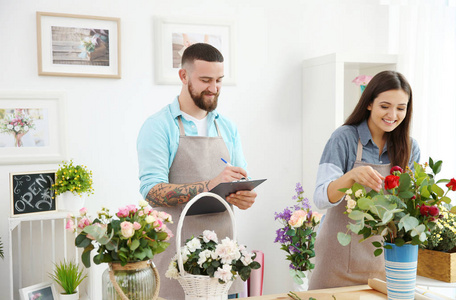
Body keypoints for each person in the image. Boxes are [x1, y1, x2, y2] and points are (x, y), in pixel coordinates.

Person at [137, 43, 257, 299]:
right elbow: (151, 191)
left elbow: (239, 179)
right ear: (183, 76)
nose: (214, 88)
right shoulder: (159, 126)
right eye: (205, 80)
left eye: (219, 80)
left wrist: (243, 197)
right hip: (176, 258)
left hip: (224, 258)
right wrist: (209, 185)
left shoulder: (227, 128)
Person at [308, 70, 421, 290]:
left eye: (401, 108)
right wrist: (351, 177)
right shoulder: (344, 138)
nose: (392, 115)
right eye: (385, 106)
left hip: (385, 262)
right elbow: (321, 198)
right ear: (369, 103)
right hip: (336, 261)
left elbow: (409, 209)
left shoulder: (409, 147)